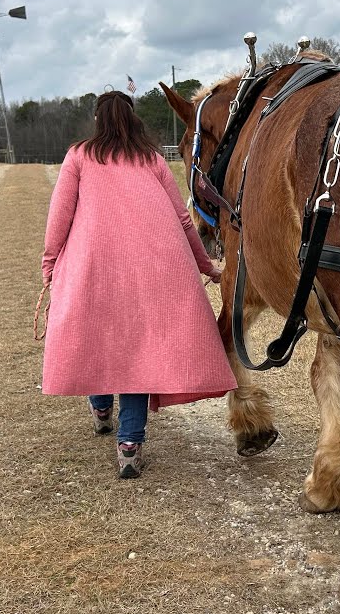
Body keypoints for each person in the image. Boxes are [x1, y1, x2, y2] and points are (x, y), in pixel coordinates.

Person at [40, 90, 235, 479]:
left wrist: (50, 264)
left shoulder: (79, 155)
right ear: (133, 121)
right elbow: (183, 220)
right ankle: (129, 444)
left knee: (99, 342)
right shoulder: (152, 160)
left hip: (94, 268)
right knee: (138, 356)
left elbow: (59, 215)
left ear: (99, 121)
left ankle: (100, 408)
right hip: (151, 273)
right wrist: (206, 266)